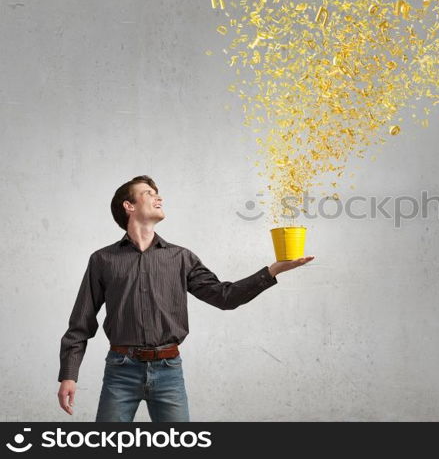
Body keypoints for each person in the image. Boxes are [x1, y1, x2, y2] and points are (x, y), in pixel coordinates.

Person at [56, 175, 314, 421]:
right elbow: (81, 321)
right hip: (120, 370)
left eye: (158, 194)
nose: (159, 198)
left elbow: (225, 297)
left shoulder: (181, 257)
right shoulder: (103, 260)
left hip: (168, 371)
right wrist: (69, 375)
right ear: (129, 205)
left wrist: (273, 270)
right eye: (149, 193)